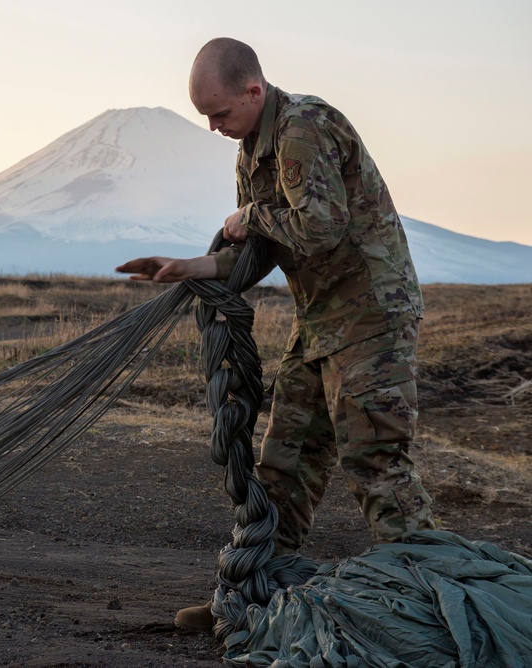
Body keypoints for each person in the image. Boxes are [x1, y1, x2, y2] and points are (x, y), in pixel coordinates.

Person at [117, 37, 436, 633]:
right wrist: (189, 267)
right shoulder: (250, 150)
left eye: (219, 114)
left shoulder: (303, 126)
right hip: (319, 321)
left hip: (371, 317)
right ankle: (255, 594)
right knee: (283, 461)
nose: (213, 127)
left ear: (253, 91)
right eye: (205, 117)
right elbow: (257, 252)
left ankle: (439, 599)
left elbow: (318, 228)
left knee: (375, 461)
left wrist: (251, 217)